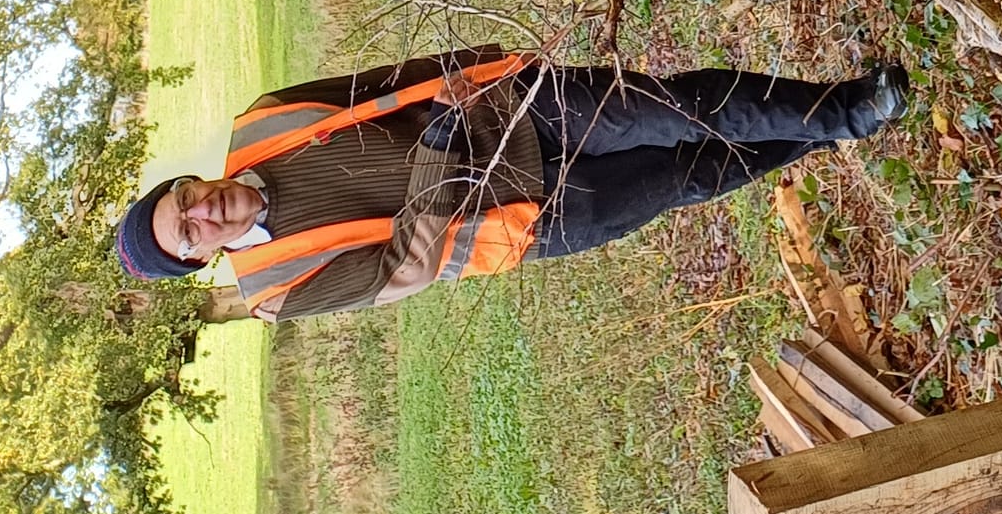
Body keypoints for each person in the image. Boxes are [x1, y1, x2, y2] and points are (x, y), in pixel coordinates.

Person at [116, 51, 909, 318]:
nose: (201, 213)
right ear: (200, 259)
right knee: (686, 171)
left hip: (518, 111)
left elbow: (381, 82)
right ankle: (820, 129)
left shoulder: (261, 123)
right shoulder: (276, 286)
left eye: (182, 201)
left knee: (679, 105)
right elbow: (404, 269)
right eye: (189, 234)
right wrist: (436, 146)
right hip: (528, 219)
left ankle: (845, 108)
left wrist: (476, 72)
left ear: (185, 183)